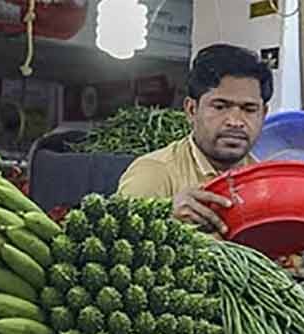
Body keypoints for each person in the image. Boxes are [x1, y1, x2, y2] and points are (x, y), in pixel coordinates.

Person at [117, 44, 273, 235]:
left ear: (264, 114)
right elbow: (114, 246)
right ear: (191, 109)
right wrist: (165, 217)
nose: (235, 122)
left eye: (249, 109)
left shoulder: (265, 182)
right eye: (220, 106)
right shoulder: (154, 172)